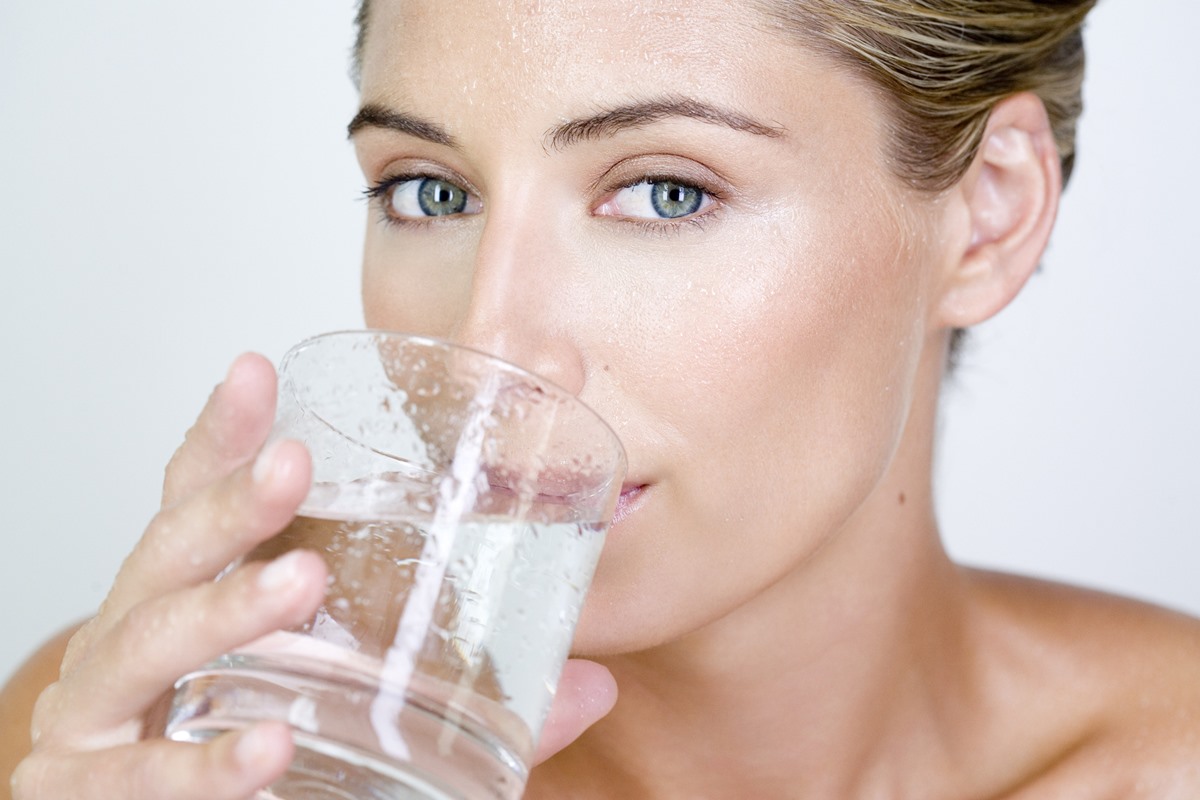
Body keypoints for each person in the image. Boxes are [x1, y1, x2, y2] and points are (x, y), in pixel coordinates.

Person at [5, 0, 1200, 797]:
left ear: (986, 212)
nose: (492, 340)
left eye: (667, 192)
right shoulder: (150, 745)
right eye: (428, 191)